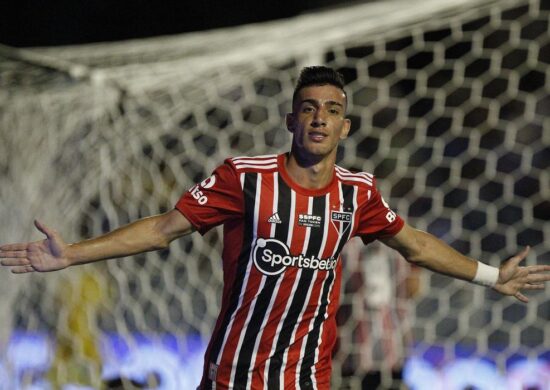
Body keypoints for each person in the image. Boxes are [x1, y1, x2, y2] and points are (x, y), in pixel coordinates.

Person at [1, 66, 549, 390]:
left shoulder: (358, 193)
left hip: (307, 378)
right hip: (231, 376)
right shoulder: (243, 177)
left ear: (345, 124)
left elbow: (417, 247)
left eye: (331, 110)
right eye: (308, 108)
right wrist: (71, 254)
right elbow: (162, 230)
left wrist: (488, 275)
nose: (318, 118)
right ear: (291, 119)